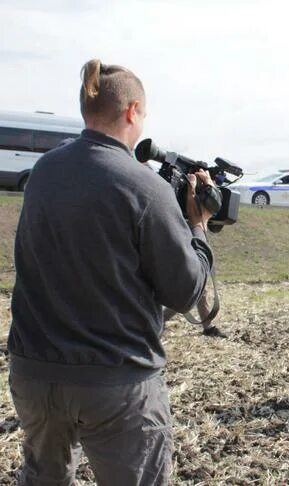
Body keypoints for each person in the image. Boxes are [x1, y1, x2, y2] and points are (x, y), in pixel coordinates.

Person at [7, 59, 215, 485]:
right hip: (114, 381)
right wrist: (197, 226)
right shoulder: (144, 186)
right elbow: (186, 291)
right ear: (132, 111)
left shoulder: (44, 171)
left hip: (34, 374)